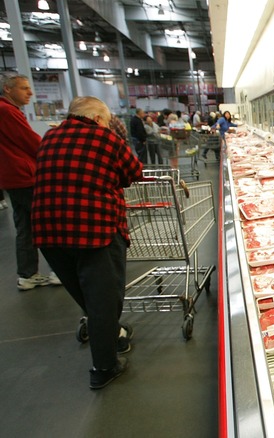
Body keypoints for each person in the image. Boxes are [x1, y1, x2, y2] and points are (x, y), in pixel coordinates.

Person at [32, 96, 143, 389]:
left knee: (86, 295)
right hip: (94, 229)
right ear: (96, 118)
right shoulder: (105, 138)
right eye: (106, 120)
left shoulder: (49, 136)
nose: (107, 126)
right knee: (104, 299)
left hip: (49, 231)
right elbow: (134, 172)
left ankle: (113, 333)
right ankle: (104, 367)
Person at [0, 73, 61, 290]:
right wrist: (53, 146)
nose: (30, 92)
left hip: (12, 179)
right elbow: (30, 141)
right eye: (24, 88)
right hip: (25, 177)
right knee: (49, 222)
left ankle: (28, 274)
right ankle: (60, 271)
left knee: (25, 226)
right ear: (8, 89)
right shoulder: (7, 111)